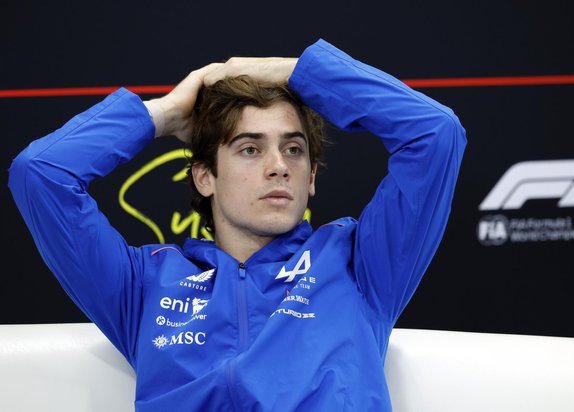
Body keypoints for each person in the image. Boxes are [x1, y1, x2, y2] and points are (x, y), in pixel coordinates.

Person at [9, 39, 466, 411]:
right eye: (250, 149)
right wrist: (163, 114)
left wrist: (295, 72)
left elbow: (435, 133)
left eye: (293, 150)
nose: (278, 166)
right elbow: (40, 173)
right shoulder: (142, 285)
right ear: (204, 177)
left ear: (310, 178)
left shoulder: (359, 265)